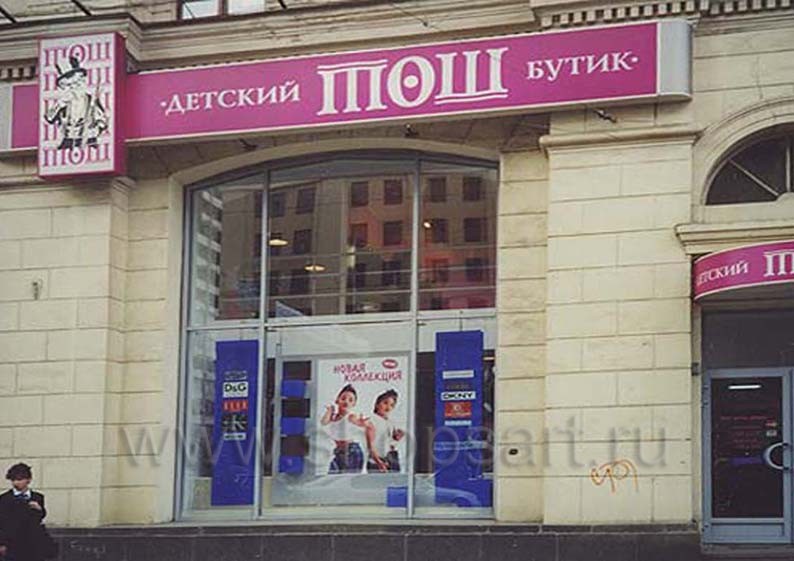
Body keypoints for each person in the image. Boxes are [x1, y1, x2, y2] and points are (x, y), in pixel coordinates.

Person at [0, 463, 49, 561]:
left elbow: (40, 518)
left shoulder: (37, 497)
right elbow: (2, 522)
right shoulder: (4, 498)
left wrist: (39, 509)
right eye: (13, 480)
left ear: (28, 480)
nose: (16, 483)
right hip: (13, 543)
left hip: (33, 543)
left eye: (19, 479)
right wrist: (2, 543)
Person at [320, 384, 369, 474]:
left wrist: (362, 422)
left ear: (354, 404)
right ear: (337, 400)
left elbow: (359, 422)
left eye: (350, 400)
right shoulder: (333, 417)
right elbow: (323, 422)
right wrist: (329, 411)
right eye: (343, 398)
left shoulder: (350, 416)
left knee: (348, 477)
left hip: (352, 450)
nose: (346, 401)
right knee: (333, 475)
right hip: (338, 451)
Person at [365, 389, 405, 473]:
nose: (388, 407)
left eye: (392, 405)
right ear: (377, 404)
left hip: (391, 458)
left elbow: (390, 439)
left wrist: (397, 437)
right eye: (385, 403)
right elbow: (370, 445)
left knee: (395, 480)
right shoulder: (372, 420)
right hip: (376, 460)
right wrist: (378, 462)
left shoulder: (390, 422)